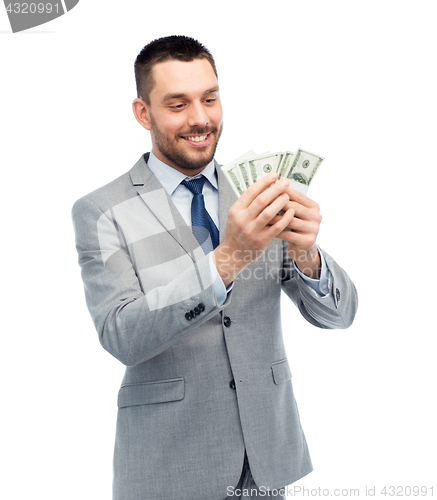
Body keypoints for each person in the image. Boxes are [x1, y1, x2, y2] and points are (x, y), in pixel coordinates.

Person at [72, 35, 358, 500]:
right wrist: (227, 259)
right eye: (178, 104)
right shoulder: (102, 211)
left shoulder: (259, 193)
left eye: (210, 98)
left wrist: (308, 254)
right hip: (170, 463)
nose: (201, 118)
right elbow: (121, 335)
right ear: (143, 113)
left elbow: (340, 316)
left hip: (266, 462)